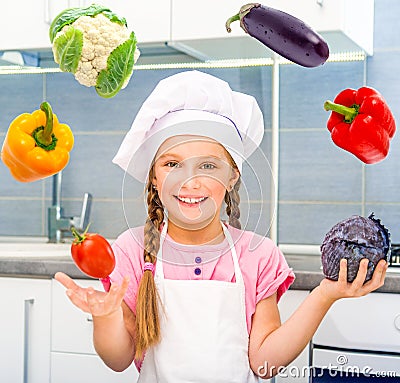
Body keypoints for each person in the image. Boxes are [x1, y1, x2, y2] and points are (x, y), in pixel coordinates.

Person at [55, 71, 388, 382]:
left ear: (232, 177)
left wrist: (324, 295)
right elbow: (118, 359)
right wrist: (106, 316)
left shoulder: (258, 255)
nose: (190, 181)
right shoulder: (132, 249)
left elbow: (265, 364)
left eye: (208, 165)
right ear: (154, 178)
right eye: (172, 164)